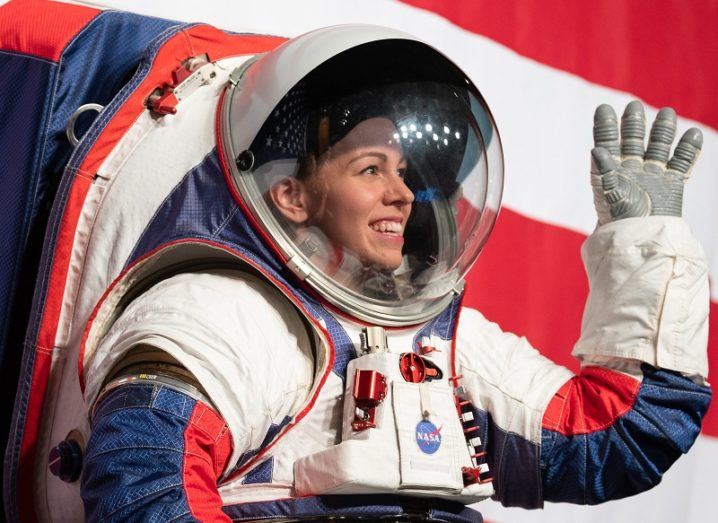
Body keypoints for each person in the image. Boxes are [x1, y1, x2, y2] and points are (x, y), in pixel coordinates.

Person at [77, 26, 710, 522]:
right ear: (293, 197)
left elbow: (614, 440)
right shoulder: (221, 314)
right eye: (371, 169)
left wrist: (644, 244)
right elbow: (144, 490)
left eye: (405, 173)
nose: (404, 194)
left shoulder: (435, 340)